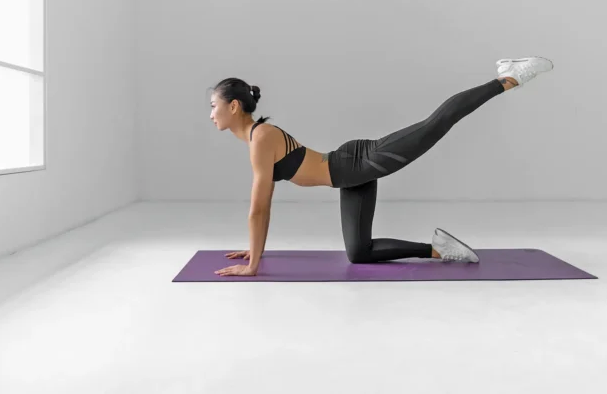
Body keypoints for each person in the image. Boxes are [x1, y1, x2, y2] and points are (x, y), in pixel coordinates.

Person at [211, 57, 554, 276]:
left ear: (234, 106)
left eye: (214, 106)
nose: (211, 113)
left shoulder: (261, 138)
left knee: (434, 124)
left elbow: (259, 209)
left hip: (358, 162)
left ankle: (509, 78)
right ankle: (440, 248)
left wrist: (253, 265)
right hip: (349, 176)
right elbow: (259, 210)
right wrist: (254, 250)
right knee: (359, 253)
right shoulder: (258, 138)